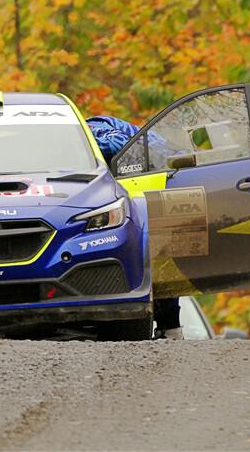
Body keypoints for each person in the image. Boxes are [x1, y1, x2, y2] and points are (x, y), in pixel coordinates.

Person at [86, 115, 183, 340]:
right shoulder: (111, 127)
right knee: (157, 256)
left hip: (148, 193)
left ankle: (171, 327)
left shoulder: (96, 130)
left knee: (155, 254)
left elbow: (122, 145)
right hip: (152, 185)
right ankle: (171, 328)